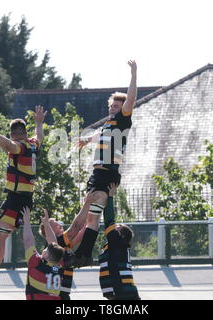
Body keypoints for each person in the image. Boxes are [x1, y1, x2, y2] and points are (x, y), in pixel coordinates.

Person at [0, 106, 47, 293]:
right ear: (25, 132)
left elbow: (9, 147)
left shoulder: (20, 146)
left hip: (17, 199)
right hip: (22, 198)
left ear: (13, 135)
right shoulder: (32, 144)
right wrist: (39, 122)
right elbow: (40, 136)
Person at [76, 60, 137, 267]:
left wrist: (134, 74)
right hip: (98, 174)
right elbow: (99, 136)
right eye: (111, 105)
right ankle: (83, 255)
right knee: (91, 219)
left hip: (107, 174)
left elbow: (130, 100)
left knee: (92, 215)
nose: (112, 107)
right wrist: (86, 140)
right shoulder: (108, 124)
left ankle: (82, 254)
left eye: (116, 105)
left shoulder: (123, 120)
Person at [38, 191, 100, 299]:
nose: (58, 223)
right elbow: (74, 229)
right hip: (55, 293)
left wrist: (92, 216)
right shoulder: (56, 242)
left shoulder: (64, 243)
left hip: (63, 292)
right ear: (50, 230)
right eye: (55, 223)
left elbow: (80, 234)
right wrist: (87, 203)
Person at [99, 183, 140, 300]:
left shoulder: (116, 243)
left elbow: (109, 219)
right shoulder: (118, 246)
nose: (114, 227)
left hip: (121, 292)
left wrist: (110, 197)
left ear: (120, 235)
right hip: (124, 292)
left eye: (117, 227)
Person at [22, 206, 65, 300]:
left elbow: (28, 240)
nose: (44, 249)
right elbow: (54, 244)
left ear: (47, 255)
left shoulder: (36, 263)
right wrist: (46, 224)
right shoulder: (59, 265)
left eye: (46, 249)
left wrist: (26, 222)